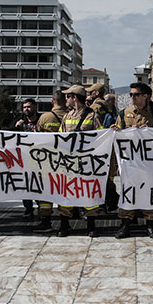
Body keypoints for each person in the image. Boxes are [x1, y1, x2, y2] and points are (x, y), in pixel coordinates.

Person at [112, 82, 153, 239]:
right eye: (131, 94)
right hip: (129, 162)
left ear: (146, 96)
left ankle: (151, 224)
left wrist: (147, 132)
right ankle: (126, 223)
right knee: (129, 192)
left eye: (136, 94)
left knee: (148, 192)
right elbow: (119, 130)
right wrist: (117, 131)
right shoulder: (124, 113)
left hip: (148, 162)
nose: (132, 98)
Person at [57, 85, 104, 237]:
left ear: (74, 98)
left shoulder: (92, 116)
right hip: (69, 162)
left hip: (87, 162)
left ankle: (91, 225)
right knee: (66, 193)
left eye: (68, 96)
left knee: (88, 192)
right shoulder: (67, 116)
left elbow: (101, 136)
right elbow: (60, 137)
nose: (66, 99)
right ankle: (65, 224)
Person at [33, 91, 68, 233]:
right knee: (64, 191)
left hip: (47, 161)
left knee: (46, 192)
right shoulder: (70, 116)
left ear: (52, 101)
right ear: (64, 102)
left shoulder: (44, 117)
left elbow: (35, 138)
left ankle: (45, 221)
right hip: (66, 161)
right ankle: (65, 221)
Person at [14, 98, 40, 218]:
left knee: (39, 183)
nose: (26, 109)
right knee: (25, 184)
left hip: (39, 158)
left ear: (34, 107)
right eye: (24, 107)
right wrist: (16, 127)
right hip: (23, 158)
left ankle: (42, 207)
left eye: (29, 107)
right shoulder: (19, 121)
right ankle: (28, 208)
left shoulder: (41, 120)